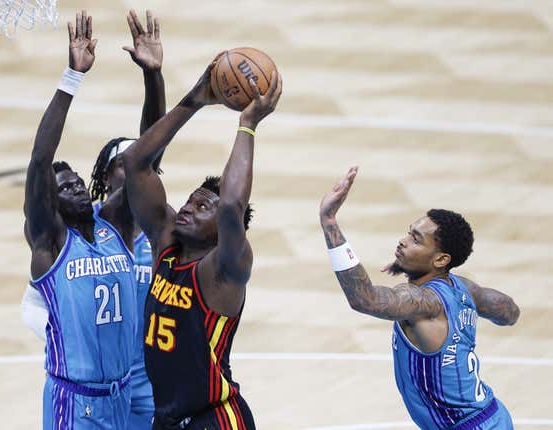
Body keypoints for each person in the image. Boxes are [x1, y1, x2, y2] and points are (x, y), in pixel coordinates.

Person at [21, 9, 165, 430]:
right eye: (63, 188)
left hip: (123, 394)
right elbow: (38, 162)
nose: (76, 187)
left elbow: (147, 163)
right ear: (50, 204)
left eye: (77, 181)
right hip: (76, 402)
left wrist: (152, 76)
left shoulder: (115, 228)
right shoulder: (51, 243)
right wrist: (72, 78)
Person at [121, 58, 282, 429]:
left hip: (215, 418)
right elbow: (135, 162)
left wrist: (248, 127)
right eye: (190, 200)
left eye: (202, 207)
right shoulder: (166, 244)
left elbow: (231, 205)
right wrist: (194, 98)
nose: (189, 208)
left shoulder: (223, 270)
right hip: (169, 418)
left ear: (223, 230)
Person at [319, 166, 520, 430]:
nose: (403, 242)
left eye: (416, 240)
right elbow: (510, 312)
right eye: (408, 233)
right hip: (493, 416)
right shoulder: (464, 288)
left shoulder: (423, 302)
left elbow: (364, 299)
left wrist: (330, 221)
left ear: (440, 259)